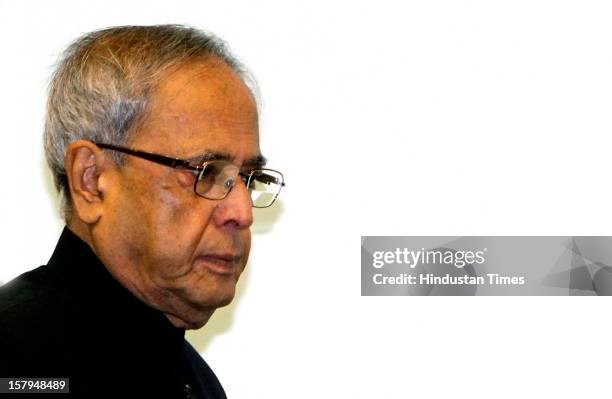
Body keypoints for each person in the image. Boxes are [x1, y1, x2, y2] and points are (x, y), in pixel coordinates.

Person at [0, 24, 284, 398]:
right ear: (92, 179)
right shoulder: (16, 363)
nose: (242, 212)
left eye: (248, 178)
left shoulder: (195, 379)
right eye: (206, 172)